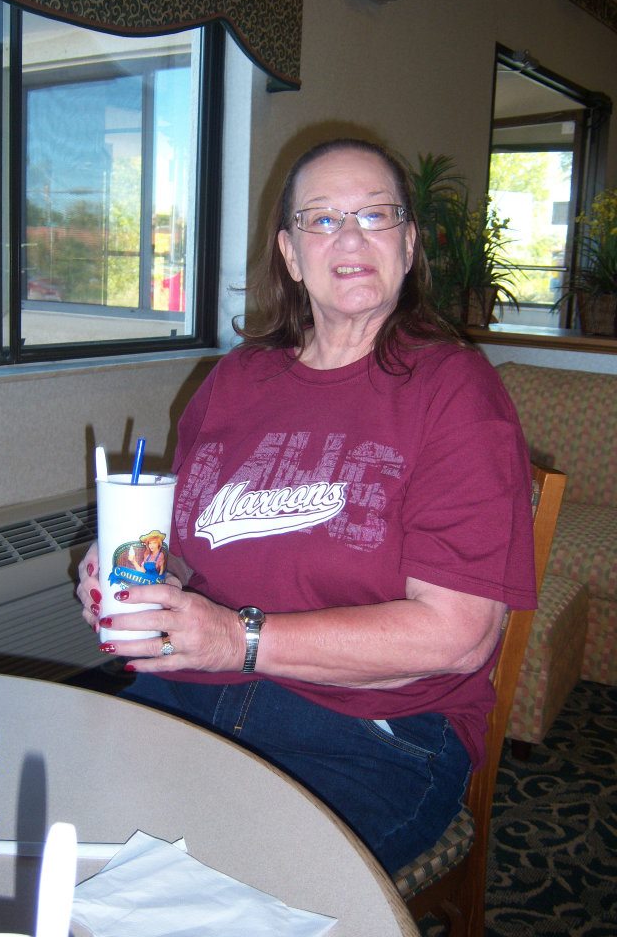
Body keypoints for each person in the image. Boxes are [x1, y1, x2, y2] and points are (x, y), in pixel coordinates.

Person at [76, 137, 537, 875]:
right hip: (190, 694)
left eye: (376, 215)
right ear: (291, 254)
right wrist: (132, 572)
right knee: (56, 840)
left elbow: (456, 636)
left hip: (369, 733)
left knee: (206, 904)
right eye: (322, 219)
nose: (350, 238)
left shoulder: (457, 392)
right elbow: (188, 549)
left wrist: (237, 640)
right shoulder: (237, 379)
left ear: (409, 244)